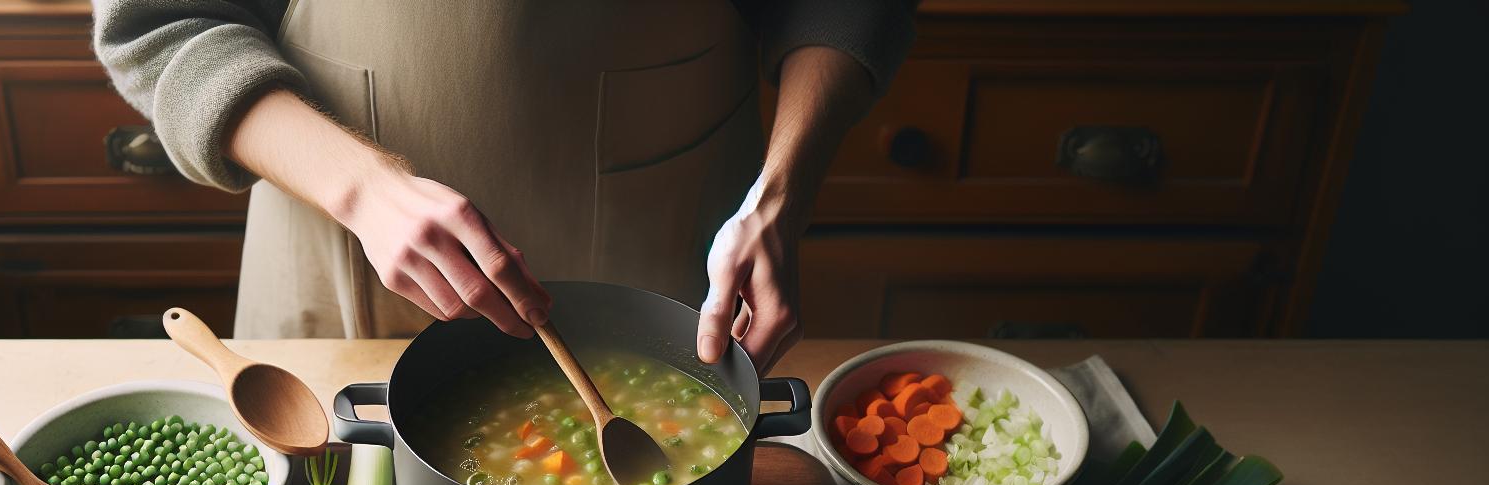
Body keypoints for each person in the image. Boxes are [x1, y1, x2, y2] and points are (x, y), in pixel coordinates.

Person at [94, 1, 913, 369]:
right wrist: (361, 189)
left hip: (676, 265)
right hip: (338, 269)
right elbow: (164, 22)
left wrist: (781, 196)